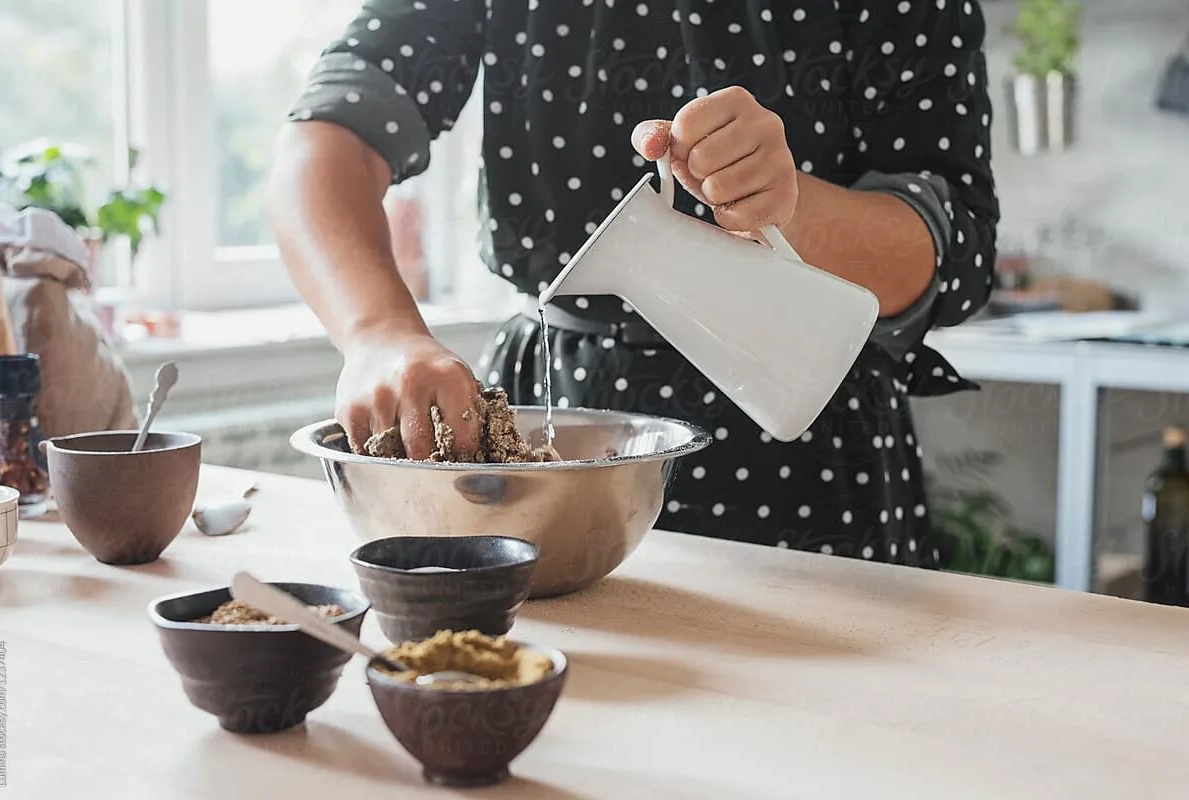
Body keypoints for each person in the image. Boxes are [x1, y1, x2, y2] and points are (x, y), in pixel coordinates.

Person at [270, 0, 999, 567]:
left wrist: (790, 204)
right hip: (553, 431)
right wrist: (378, 334)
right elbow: (328, 133)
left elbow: (955, 248)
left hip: (813, 454)